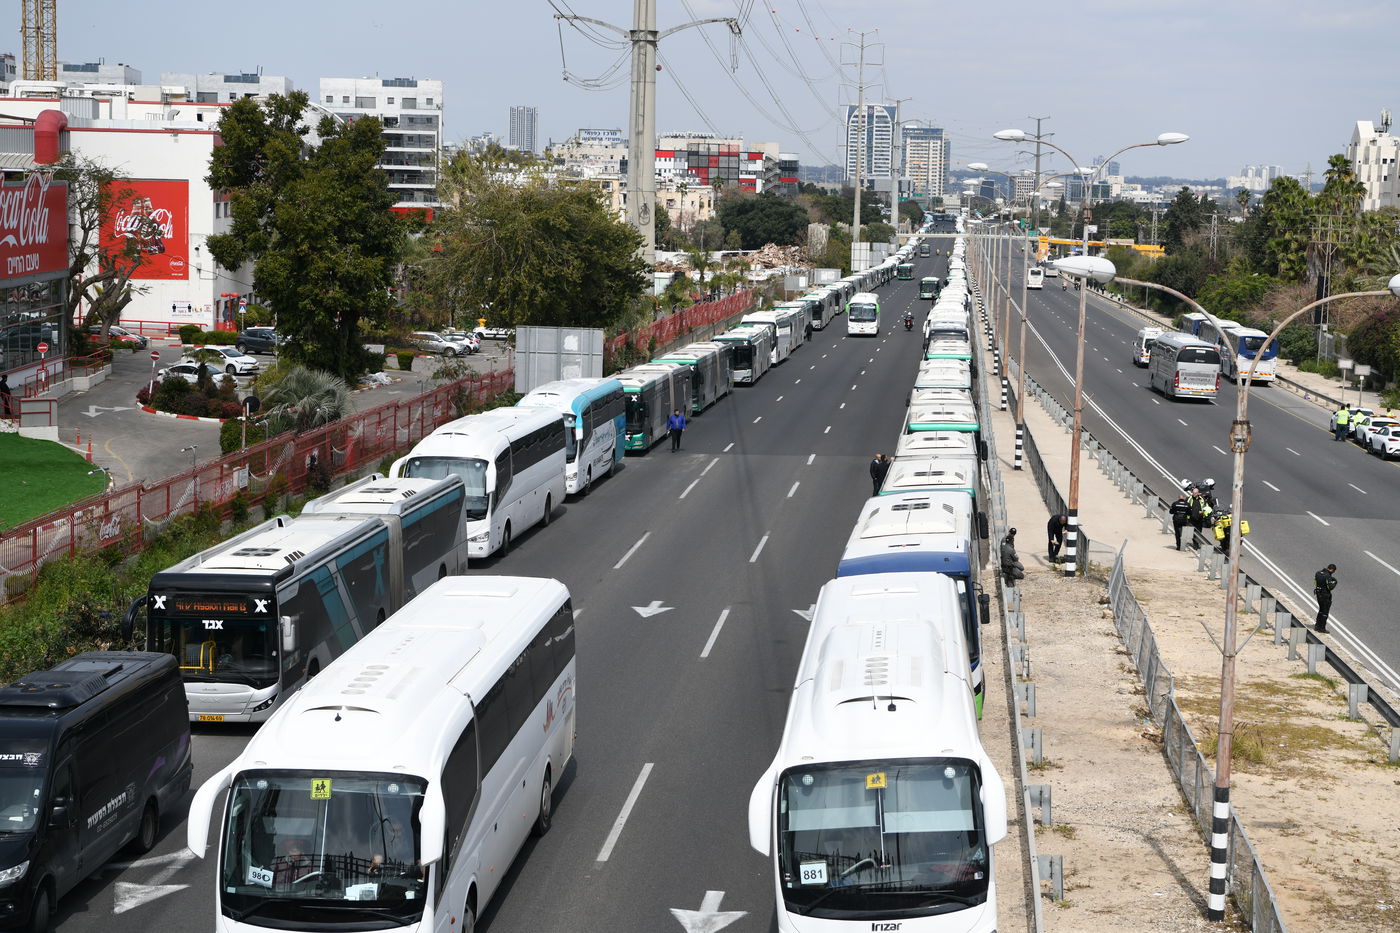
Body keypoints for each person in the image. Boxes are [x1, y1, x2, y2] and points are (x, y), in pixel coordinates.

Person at [1313, 564, 1337, 633]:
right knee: (1325, 612)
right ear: (1332, 570)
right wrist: (1334, 582)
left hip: (1318, 594)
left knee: (1320, 609)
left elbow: (1315, 582)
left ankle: (1317, 625)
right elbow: (1330, 587)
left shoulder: (1318, 573)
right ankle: (1322, 628)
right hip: (1325, 595)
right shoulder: (1328, 576)